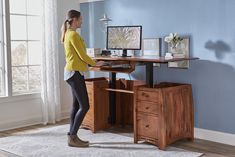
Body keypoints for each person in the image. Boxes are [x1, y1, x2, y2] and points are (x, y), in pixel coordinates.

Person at [61, 10, 103, 147]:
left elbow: (79, 55)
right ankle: (73, 137)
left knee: (76, 105)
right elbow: (82, 55)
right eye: (80, 19)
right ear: (74, 19)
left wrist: (91, 64)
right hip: (74, 73)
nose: (82, 21)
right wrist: (95, 63)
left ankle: (71, 135)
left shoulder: (69, 33)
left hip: (72, 72)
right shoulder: (73, 35)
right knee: (85, 106)